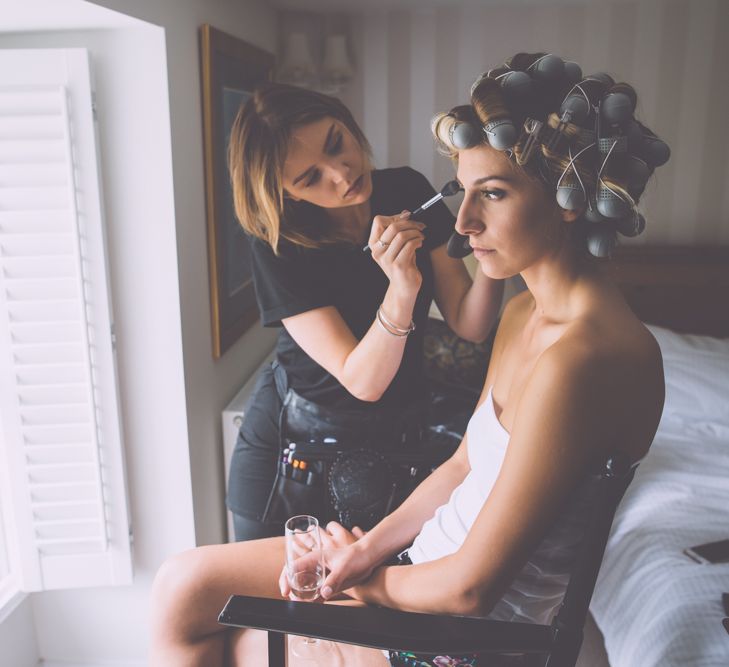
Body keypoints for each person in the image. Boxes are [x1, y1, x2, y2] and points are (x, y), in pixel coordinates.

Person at [150, 53, 667, 666]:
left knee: (231, 641)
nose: (465, 222)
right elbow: (459, 466)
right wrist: (360, 556)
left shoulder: (582, 359)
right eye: (466, 194)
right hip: (346, 476)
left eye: (492, 194)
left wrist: (354, 583)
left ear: (567, 200)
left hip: (458, 636)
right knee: (181, 587)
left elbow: (470, 589)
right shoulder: (527, 315)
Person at [225, 83, 504, 541]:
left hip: (397, 439)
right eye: (309, 178)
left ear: (346, 120)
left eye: (336, 143)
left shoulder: (407, 189)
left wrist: (496, 239)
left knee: (379, 598)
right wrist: (402, 287)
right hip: (294, 458)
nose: (340, 173)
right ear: (287, 194)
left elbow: (469, 323)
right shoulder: (277, 245)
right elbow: (363, 381)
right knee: (279, 604)